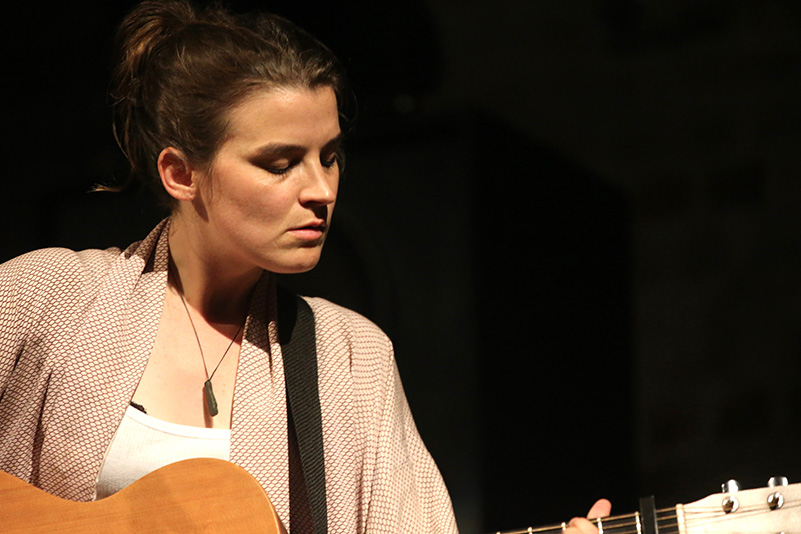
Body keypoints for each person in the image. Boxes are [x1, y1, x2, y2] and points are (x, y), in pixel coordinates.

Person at [0, 1, 606, 532]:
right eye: (281, 163)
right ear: (181, 173)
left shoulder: (351, 360)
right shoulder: (47, 298)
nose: (322, 189)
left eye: (331, 156)